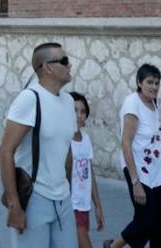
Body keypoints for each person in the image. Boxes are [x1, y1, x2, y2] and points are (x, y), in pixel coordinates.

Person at [0, 42, 79, 248]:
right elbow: (6, 150)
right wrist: (14, 204)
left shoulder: (69, 101)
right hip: (35, 199)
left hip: (63, 199)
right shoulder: (30, 99)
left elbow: (67, 149)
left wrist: (68, 188)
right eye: (64, 61)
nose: (69, 65)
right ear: (47, 67)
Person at [107, 64, 161, 248]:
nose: (154, 87)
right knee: (145, 220)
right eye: (149, 82)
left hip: (156, 172)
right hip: (137, 170)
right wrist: (135, 182)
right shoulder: (133, 104)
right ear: (139, 83)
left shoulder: (155, 102)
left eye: (157, 83)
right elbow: (126, 143)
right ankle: (114, 246)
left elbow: (152, 135)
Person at [69, 91, 104, 248]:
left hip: (83, 205)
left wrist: (98, 206)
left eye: (83, 111)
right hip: (69, 205)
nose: (79, 115)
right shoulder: (63, 140)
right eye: (75, 110)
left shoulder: (86, 139)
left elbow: (90, 175)